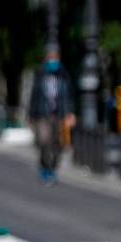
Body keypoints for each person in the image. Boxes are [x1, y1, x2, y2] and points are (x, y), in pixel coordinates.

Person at [28, 52, 71, 185]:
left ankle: (53, 168)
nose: (54, 63)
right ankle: (45, 167)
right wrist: (31, 115)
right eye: (51, 60)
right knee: (44, 141)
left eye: (55, 60)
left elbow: (68, 97)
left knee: (58, 144)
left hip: (58, 115)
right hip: (42, 115)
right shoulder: (40, 77)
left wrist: (70, 113)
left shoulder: (63, 77)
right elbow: (34, 97)